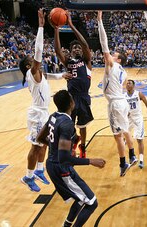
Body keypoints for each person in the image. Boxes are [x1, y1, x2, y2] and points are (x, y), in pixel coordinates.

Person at [37, 90, 106, 227]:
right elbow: (64, 159)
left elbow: (40, 138)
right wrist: (91, 161)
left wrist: (56, 148)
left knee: (80, 199)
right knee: (92, 202)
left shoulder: (53, 116)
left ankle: (67, 225)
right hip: (60, 168)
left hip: (52, 164)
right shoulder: (67, 124)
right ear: (71, 103)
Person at [19, 9, 66, 192]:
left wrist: (62, 75)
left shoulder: (39, 74)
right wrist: (40, 27)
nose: (35, 59)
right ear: (28, 66)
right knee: (35, 146)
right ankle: (28, 176)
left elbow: (49, 76)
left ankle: (39, 171)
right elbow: (38, 52)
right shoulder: (32, 73)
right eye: (32, 60)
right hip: (37, 113)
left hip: (44, 112)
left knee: (44, 143)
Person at [97, 11, 137, 177]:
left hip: (115, 103)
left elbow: (103, 44)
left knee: (117, 136)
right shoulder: (123, 71)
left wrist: (100, 21)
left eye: (114, 55)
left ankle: (123, 164)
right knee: (125, 130)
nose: (110, 55)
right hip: (122, 102)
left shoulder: (112, 65)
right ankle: (133, 155)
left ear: (118, 60)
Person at [52, 10, 93, 158]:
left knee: (82, 126)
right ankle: (74, 141)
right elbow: (57, 50)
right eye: (73, 48)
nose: (76, 48)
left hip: (83, 97)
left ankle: (82, 146)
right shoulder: (68, 63)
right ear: (70, 51)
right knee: (69, 125)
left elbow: (85, 44)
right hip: (71, 97)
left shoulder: (86, 61)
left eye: (78, 48)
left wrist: (71, 25)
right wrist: (57, 30)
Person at [125, 79, 147, 169]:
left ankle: (141, 160)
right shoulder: (123, 96)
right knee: (126, 136)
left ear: (133, 86)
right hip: (129, 118)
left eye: (129, 83)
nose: (127, 84)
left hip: (138, 118)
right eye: (127, 83)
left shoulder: (139, 94)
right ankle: (130, 155)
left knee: (139, 139)